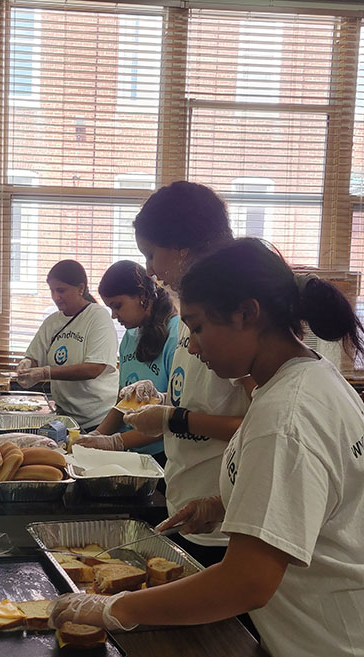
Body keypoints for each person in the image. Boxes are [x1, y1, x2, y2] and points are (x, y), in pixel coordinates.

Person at [51, 238, 364, 657]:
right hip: (350, 639)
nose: (192, 346)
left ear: (247, 314)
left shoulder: (286, 414)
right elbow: (323, 497)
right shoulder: (307, 379)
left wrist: (115, 607)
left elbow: (245, 584)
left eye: (197, 327)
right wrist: (226, 505)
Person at [123, 181, 252, 567]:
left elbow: (262, 424)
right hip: (190, 503)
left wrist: (172, 418)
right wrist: (162, 402)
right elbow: (205, 397)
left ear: (181, 247)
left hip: (224, 518)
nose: (149, 270)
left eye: (151, 255)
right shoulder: (190, 312)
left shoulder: (231, 321)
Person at [74, 260, 178, 464]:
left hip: (162, 456)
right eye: (110, 308)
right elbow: (124, 402)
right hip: (131, 450)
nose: (114, 316)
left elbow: (174, 416)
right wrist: (97, 435)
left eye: (118, 305)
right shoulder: (130, 337)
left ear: (142, 296)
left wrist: (117, 442)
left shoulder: (175, 337)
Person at [16, 260, 119, 430]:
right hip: (65, 416)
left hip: (98, 419)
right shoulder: (52, 322)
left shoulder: (97, 317)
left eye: (61, 290)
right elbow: (35, 357)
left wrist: (45, 373)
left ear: (80, 288)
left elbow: (94, 368)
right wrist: (27, 365)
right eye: (52, 291)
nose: (56, 297)